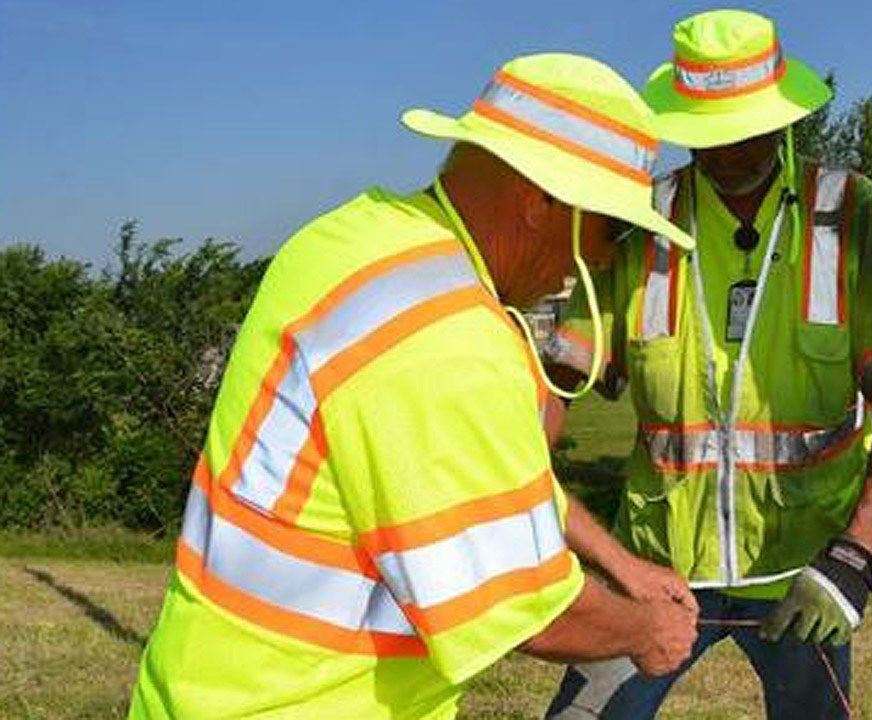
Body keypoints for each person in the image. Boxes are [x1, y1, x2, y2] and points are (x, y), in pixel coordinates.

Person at [127, 53, 701, 720]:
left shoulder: (354, 241)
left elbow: (490, 481)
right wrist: (643, 631)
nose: (606, 257)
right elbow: (524, 609)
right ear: (543, 201)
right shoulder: (452, 339)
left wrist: (621, 563)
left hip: (204, 684)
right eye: (614, 227)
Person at [544, 11, 872, 719]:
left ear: (780, 114)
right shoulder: (640, 222)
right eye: (709, 131)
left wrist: (858, 554)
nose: (728, 147)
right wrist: (524, 516)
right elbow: (557, 385)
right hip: (652, 569)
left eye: (744, 125)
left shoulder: (850, 213)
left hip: (807, 572)